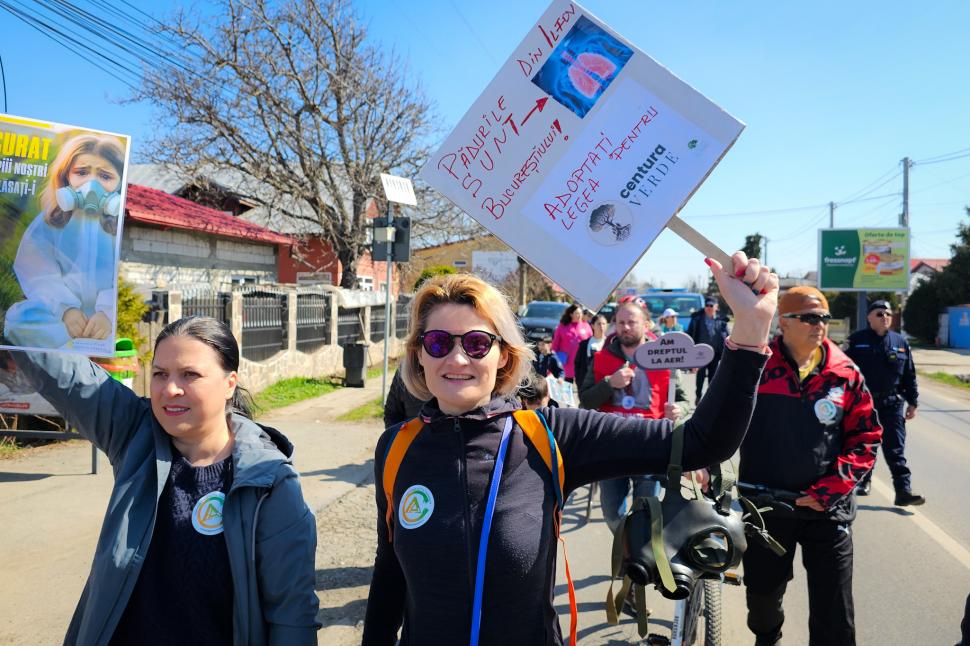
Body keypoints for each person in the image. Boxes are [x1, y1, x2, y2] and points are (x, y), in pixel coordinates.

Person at [362, 252, 778, 645]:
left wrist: (751, 329)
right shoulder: (396, 448)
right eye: (438, 342)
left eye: (476, 343)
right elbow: (390, 574)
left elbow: (703, 442)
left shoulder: (550, 437)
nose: (456, 359)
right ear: (419, 355)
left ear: (503, 356)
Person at [11, 316, 320, 645]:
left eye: (190, 374)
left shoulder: (269, 483)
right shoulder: (134, 432)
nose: (170, 389)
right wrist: (16, 314)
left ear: (230, 383)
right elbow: (65, 372)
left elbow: (292, 615)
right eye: (160, 374)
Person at [738, 286, 882, 646]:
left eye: (824, 317)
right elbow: (722, 423)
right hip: (766, 505)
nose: (820, 324)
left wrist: (828, 492)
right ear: (783, 322)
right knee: (762, 599)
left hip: (828, 509)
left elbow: (866, 438)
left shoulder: (845, 373)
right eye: (809, 317)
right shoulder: (756, 367)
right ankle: (768, 637)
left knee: (835, 612)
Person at [578, 299, 692, 534]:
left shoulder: (665, 357)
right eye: (621, 323)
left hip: (650, 449)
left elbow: (685, 400)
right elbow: (586, 401)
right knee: (612, 514)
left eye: (632, 322)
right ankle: (627, 544)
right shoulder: (601, 358)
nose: (626, 327)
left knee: (647, 515)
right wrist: (610, 383)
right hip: (610, 450)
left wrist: (679, 409)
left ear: (646, 324)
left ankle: (637, 553)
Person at [3, 134, 125, 350]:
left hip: (104, 318)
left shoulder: (119, 227)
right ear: (65, 175)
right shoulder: (51, 220)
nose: (91, 185)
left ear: (120, 183)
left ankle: (87, 341)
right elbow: (37, 272)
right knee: (18, 319)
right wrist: (66, 308)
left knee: (112, 330)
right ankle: (74, 341)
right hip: (61, 314)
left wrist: (107, 312)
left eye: (105, 176)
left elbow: (121, 277)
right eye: (82, 172)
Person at [844, 300, 924, 505]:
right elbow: (843, 371)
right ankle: (864, 481)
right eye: (879, 314)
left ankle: (903, 491)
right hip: (864, 402)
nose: (885, 317)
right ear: (869, 317)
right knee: (864, 445)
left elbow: (909, 374)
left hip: (892, 403)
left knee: (895, 448)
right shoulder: (856, 340)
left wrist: (913, 401)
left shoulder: (900, 342)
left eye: (888, 314)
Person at [686, 296, 729, 403]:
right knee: (700, 377)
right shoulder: (696, 319)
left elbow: (728, 336)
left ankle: (709, 400)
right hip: (700, 354)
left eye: (711, 305)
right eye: (707, 305)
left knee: (713, 378)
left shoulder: (722, 320)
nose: (709, 307)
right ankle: (698, 397)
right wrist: (690, 356)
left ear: (716, 307)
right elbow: (690, 336)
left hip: (715, 353)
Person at [551, 303, 592, 382]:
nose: (579, 315)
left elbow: (590, 341)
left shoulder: (586, 326)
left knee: (581, 383)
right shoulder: (562, 326)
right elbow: (555, 344)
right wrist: (555, 358)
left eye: (580, 313)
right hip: (565, 361)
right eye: (577, 313)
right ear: (571, 314)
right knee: (566, 384)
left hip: (581, 361)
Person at [573, 313, 609, 389]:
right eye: (599, 324)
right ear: (592, 326)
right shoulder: (584, 344)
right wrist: (579, 381)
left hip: (604, 385)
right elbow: (577, 363)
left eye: (603, 324)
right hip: (586, 384)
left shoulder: (610, 344)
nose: (601, 326)